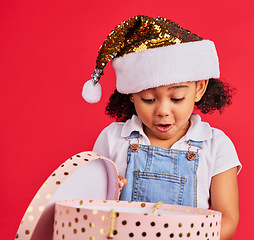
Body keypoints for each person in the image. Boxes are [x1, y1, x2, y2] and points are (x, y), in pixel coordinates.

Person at [82, 15, 241, 239]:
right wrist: (107, 192)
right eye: (148, 99)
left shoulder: (216, 145)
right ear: (131, 95)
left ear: (199, 88)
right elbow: (89, 208)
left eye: (176, 98)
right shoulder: (112, 139)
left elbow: (227, 218)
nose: (162, 111)